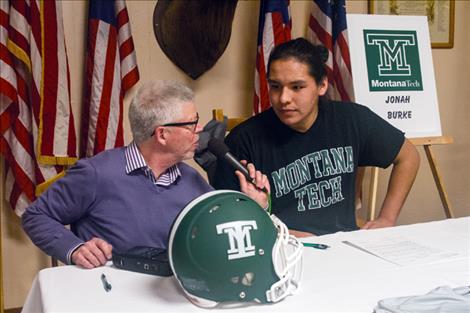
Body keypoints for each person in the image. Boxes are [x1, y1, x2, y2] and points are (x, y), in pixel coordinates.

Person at [22, 80, 269, 269]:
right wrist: (74, 249)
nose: (200, 130)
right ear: (162, 135)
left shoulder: (193, 181)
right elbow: (36, 215)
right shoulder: (97, 174)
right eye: (192, 124)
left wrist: (255, 207)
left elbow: (221, 236)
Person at [213, 38, 420, 237]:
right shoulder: (243, 140)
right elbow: (228, 221)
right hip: (279, 250)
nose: (284, 98)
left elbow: (408, 157)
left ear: (322, 85)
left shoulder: (351, 119)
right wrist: (285, 235)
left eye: (297, 87)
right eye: (275, 86)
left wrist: (387, 218)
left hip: (344, 246)